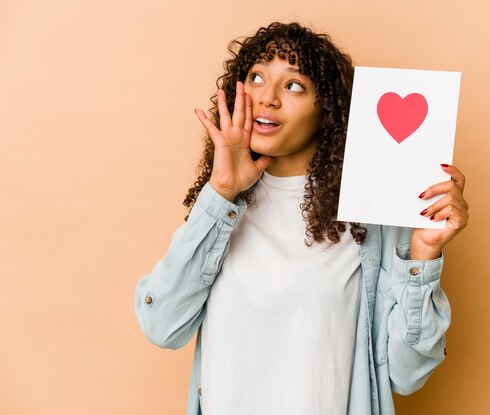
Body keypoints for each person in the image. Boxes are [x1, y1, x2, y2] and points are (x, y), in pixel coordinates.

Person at [134, 21, 469, 415]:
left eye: (294, 85)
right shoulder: (221, 210)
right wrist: (221, 191)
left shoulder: (370, 220)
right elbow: (161, 326)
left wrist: (423, 255)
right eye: (256, 77)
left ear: (327, 108)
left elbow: (406, 375)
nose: (267, 99)